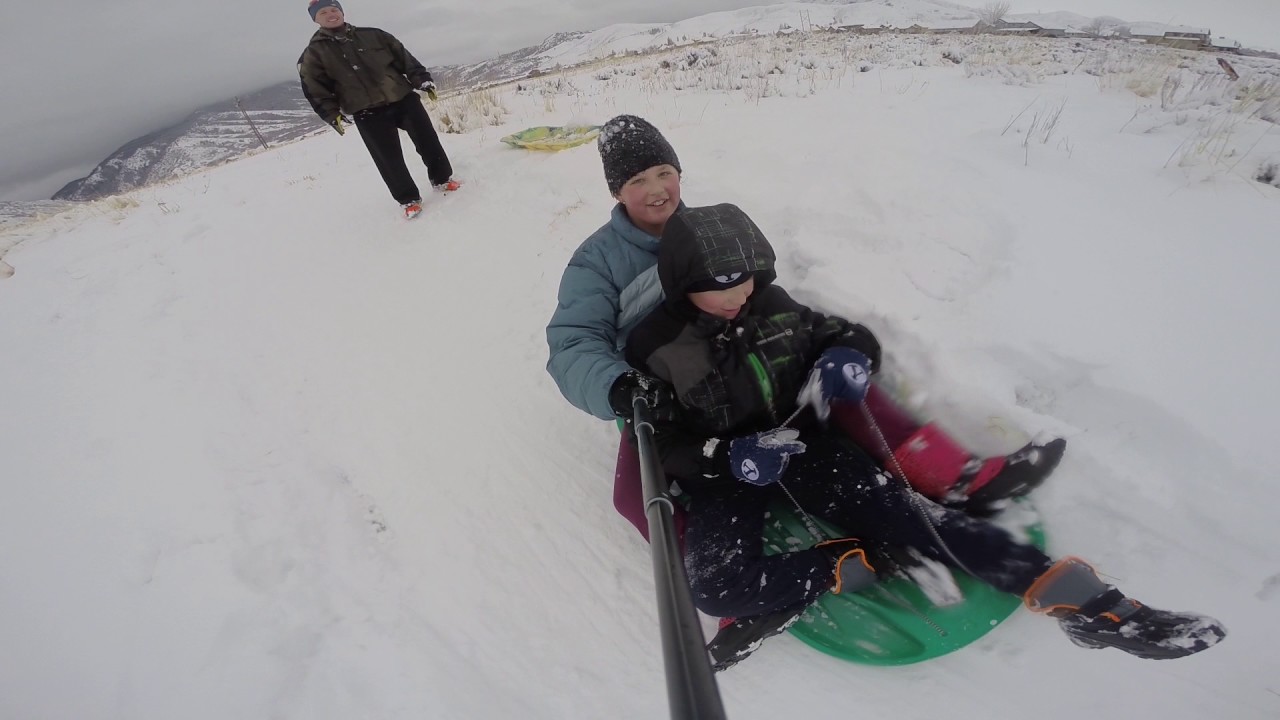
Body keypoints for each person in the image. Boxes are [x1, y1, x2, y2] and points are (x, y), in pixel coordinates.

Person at [623, 202, 1225, 669]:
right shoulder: (654, 346)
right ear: (681, 279)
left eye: (747, 278)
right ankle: (838, 563)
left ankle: (1090, 604)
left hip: (804, 449)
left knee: (918, 518)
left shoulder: (774, 305)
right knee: (719, 587)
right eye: (719, 283)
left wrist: (848, 356)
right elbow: (654, 443)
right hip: (730, 474)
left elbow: (848, 332)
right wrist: (724, 457)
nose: (738, 294)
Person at [545, 115, 1064, 543]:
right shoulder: (597, 262)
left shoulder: (712, 225)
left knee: (844, 391)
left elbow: (760, 293)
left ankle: (958, 477)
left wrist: (810, 340)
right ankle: (712, 577)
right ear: (616, 190)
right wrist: (622, 387)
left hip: (739, 355)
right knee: (636, 498)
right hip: (670, 386)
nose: (657, 190)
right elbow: (572, 343)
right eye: (637, 181)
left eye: (663, 172)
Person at [297, 0, 460, 219]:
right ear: (315, 19)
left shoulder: (374, 35)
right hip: (367, 111)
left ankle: (442, 179)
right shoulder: (313, 54)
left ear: (342, 12)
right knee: (388, 159)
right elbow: (315, 89)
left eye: (334, 9)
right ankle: (408, 199)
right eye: (323, 12)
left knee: (428, 141)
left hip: (403, 98)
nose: (331, 14)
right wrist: (332, 114)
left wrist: (421, 80)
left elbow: (405, 59)